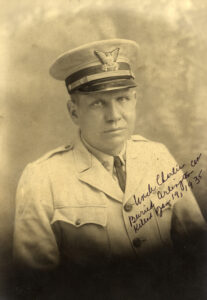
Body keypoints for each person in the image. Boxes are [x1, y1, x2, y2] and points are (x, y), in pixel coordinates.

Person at [13, 39, 206, 299]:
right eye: (97, 103)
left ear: (134, 100)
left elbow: (197, 252)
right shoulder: (41, 178)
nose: (114, 115)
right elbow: (34, 285)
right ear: (73, 112)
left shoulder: (158, 157)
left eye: (122, 99)